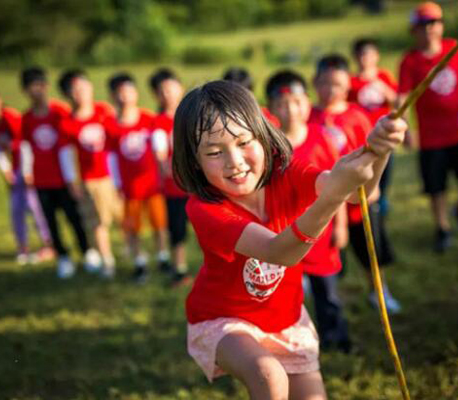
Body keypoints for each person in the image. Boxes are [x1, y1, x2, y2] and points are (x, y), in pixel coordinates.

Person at [173, 80, 406, 398]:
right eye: (215, 152)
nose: (235, 161)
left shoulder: (285, 171)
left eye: (244, 142)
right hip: (223, 319)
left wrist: (379, 151)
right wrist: (331, 198)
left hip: (287, 318)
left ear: (263, 134)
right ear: (194, 161)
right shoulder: (204, 208)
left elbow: (357, 192)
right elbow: (279, 251)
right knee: (268, 375)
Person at [266, 70, 352, 352]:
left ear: (307, 102)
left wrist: (340, 226)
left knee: (327, 290)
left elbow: (336, 189)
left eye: (298, 102)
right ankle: (293, 341)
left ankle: (335, 337)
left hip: (322, 232)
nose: (291, 109)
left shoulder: (321, 138)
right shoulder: (271, 148)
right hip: (286, 234)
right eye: (283, 104)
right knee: (287, 294)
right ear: (272, 108)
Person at [309, 53, 401, 314]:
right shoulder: (309, 116)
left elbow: (373, 154)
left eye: (337, 84)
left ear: (348, 85)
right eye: (325, 83)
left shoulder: (358, 116)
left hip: (359, 199)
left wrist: (374, 185)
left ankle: (379, 289)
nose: (330, 90)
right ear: (315, 82)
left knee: (371, 249)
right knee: (326, 249)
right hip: (325, 198)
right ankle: (328, 296)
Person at [398, 1, 458, 253]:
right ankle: (443, 227)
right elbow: (402, 97)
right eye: (422, 24)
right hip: (432, 137)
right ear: (414, 30)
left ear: (441, 26)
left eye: (434, 23)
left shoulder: (454, 49)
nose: (429, 29)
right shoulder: (410, 61)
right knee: (436, 187)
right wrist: (406, 128)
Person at [20, 67, 100, 279]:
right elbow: (26, 145)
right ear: (25, 91)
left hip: (64, 179)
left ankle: (87, 251)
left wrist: (72, 177)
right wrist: (27, 171)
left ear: (46, 87)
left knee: (74, 217)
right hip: (41, 180)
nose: (36, 91)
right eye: (31, 88)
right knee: (50, 221)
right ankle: (63, 257)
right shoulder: (27, 118)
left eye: (39, 86)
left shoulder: (60, 112)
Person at [0, 84, 53, 265]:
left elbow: (25, 145)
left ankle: (49, 245)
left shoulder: (11, 117)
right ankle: (22, 246)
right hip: (15, 170)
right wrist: (6, 171)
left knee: (35, 206)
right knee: (16, 208)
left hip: (29, 166)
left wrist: (27, 172)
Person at [106, 72, 170, 283]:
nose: (124, 97)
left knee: (159, 224)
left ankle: (163, 257)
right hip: (129, 187)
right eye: (120, 93)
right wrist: (116, 183)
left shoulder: (148, 119)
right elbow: (112, 157)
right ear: (113, 96)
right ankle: (139, 262)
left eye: (128, 91)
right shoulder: (112, 124)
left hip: (152, 184)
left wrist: (162, 169)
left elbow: (159, 146)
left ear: (136, 93)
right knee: (133, 228)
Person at [58, 69, 122, 278]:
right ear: (68, 95)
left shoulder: (104, 111)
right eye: (75, 90)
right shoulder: (68, 123)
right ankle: (107, 260)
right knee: (97, 224)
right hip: (90, 181)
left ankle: (132, 249)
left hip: (113, 177)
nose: (81, 93)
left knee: (122, 216)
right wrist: (71, 183)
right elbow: (66, 155)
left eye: (84, 87)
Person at [148, 68, 192, 285]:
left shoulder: (192, 114)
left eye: (171, 88)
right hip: (176, 188)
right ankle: (179, 269)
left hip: (201, 186)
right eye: (162, 91)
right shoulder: (158, 123)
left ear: (180, 88)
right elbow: (162, 159)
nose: (168, 94)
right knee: (177, 230)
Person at [350, 37, 399, 218]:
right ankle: (370, 199)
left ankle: (382, 199)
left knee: (385, 168)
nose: (365, 58)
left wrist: (380, 86)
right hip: (364, 137)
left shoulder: (384, 76)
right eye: (361, 54)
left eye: (369, 54)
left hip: (385, 134)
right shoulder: (351, 82)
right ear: (355, 57)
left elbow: (396, 100)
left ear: (376, 56)